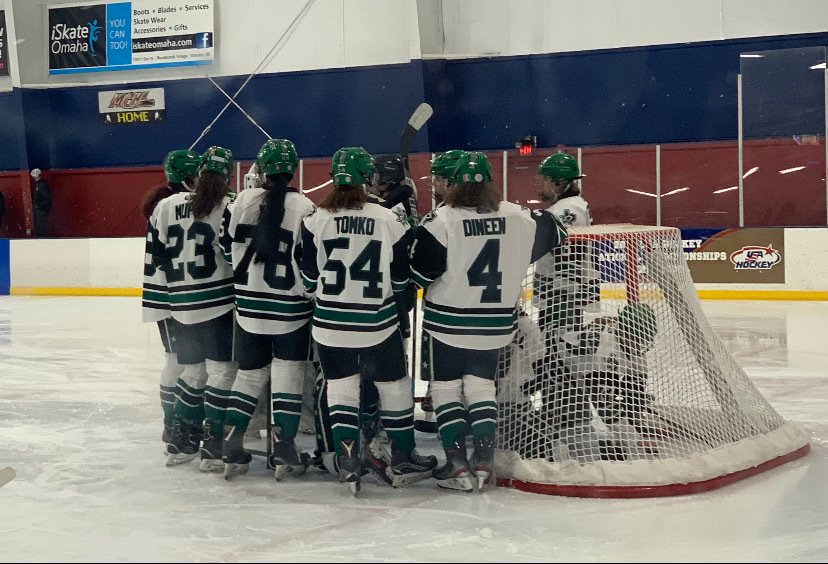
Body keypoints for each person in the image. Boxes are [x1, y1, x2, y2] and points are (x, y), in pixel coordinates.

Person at [409, 150, 567, 492]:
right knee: (482, 388)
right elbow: (556, 230)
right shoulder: (520, 216)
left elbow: (418, 274)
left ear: (454, 185)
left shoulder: (441, 219)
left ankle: (456, 465)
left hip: (448, 323)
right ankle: (484, 462)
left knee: (447, 389)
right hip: (496, 324)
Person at [300, 146, 436, 495]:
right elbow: (403, 273)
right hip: (378, 322)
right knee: (392, 387)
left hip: (329, 324)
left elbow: (309, 276)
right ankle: (403, 457)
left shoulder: (315, 218)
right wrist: (402, 300)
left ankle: (348, 461)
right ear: (368, 179)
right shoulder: (390, 218)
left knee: (341, 388)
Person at [218, 139, 316, 480]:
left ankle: (230, 442)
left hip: (247, 306)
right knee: (288, 375)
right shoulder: (305, 207)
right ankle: (284, 449)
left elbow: (226, 249)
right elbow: (310, 263)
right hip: (289, 309)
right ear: (292, 170)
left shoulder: (240, 201)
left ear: (260, 169)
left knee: (248, 376)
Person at [150, 145, 238, 472]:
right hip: (218, 303)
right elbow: (234, 257)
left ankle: (181, 440)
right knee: (222, 372)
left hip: (181, 305)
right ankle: (213, 446)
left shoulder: (166, 206)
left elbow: (157, 257)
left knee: (192, 372)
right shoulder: (229, 205)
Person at [141, 149, 202, 451]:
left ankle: (175, 424)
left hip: (165, 293)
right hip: (172, 295)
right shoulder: (174, 206)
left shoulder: (162, 205)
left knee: (178, 361)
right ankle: (174, 424)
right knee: (179, 362)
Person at [532, 152, 600, 362]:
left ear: (560, 183)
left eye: (545, 180)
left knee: (558, 360)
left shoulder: (568, 209)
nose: (540, 185)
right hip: (562, 295)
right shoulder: (568, 205)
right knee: (555, 355)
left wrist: (561, 295)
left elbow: (568, 258)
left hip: (563, 296)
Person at [31, 168, 52, 238]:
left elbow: (46, 198)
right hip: (41, 210)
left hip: (41, 211)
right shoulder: (41, 184)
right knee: (40, 228)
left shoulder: (41, 185)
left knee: (41, 229)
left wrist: (39, 207)